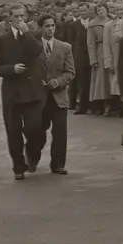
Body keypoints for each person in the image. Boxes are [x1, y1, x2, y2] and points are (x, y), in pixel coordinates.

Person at [0, 5, 48, 180]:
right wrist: (11, 69)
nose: (19, 19)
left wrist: (26, 33)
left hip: (32, 91)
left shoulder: (33, 36)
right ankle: (18, 166)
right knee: (13, 131)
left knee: (35, 127)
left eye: (22, 16)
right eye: (16, 16)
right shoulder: (2, 39)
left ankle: (32, 152)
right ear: (9, 18)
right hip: (12, 92)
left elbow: (38, 51)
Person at [37, 15, 75, 175]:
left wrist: (58, 82)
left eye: (53, 25)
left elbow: (70, 72)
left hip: (58, 96)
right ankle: (32, 155)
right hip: (38, 97)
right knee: (37, 131)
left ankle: (58, 164)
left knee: (59, 132)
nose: (50, 29)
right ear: (40, 28)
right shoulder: (34, 47)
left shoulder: (64, 47)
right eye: (47, 26)